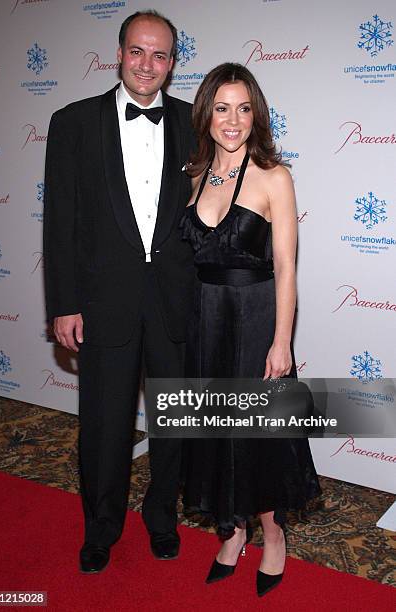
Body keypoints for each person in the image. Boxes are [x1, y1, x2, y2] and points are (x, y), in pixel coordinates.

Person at [43, 10, 196, 573]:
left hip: (176, 304)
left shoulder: (195, 123)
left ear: (172, 63)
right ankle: (100, 529)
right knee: (105, 427)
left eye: (160, 55)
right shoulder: (73, 123)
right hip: (103, 302)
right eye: (138, 51)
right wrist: (62, 303)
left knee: (173, 425)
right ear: (119, 53)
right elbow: (59, 223)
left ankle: (163, 520)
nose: (147, 64)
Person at [179, 63, 322, 596]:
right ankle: (233, 530)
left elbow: (286, 266)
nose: (232, 120)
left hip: (257, 316)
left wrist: (281, 340)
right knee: (216, 430)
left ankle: (272, 532)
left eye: (243, 108)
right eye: (222, 108)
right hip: (205, 319)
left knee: (259, 434)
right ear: (206, 114)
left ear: (255, 114)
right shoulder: (195, 175)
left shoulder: (274, 176)